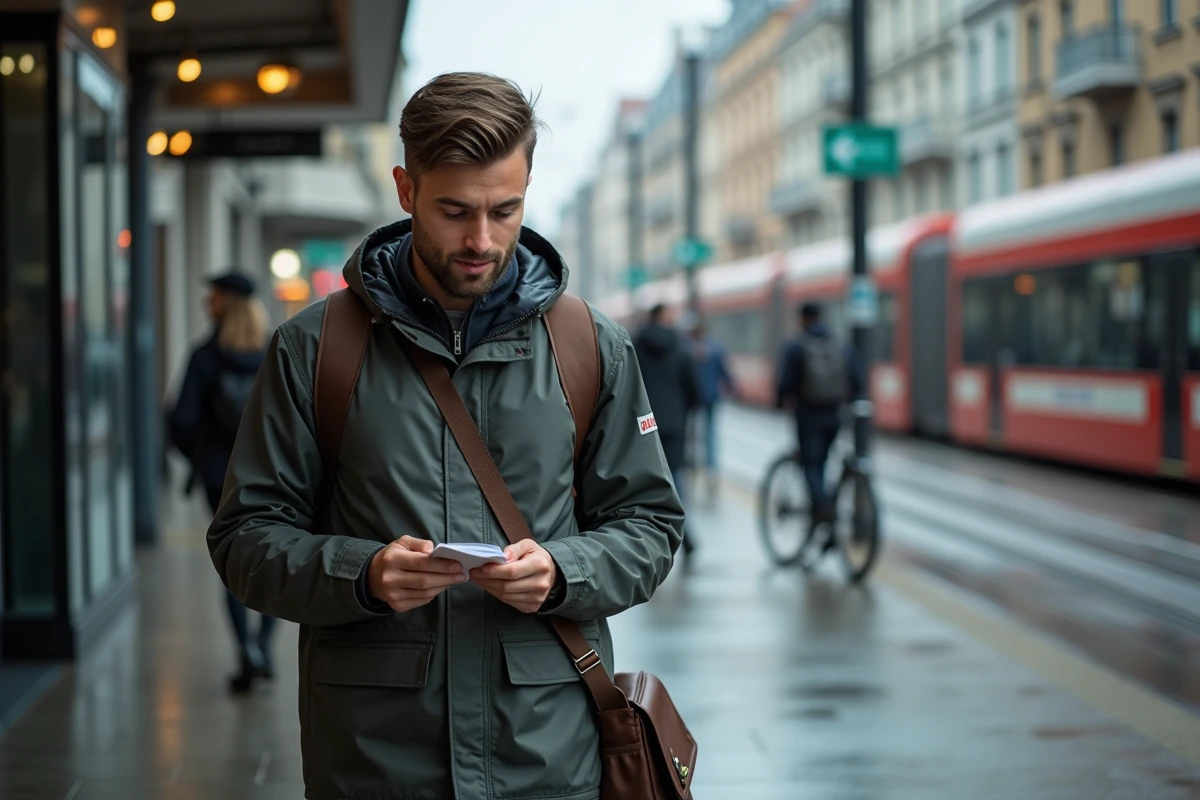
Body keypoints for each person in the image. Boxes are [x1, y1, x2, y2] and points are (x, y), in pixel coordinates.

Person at [206, 72, 684, 800]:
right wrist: (362, 574)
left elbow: (650, 526)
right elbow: (244, 538)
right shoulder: (315, 349)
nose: (481, 240)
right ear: (406, 190)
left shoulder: (591, 346)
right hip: (375, 767)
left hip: (547, 763)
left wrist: (563, 570)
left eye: (505, 210)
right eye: (455, 211)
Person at [167, 272, 275, 694]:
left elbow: (181, 421)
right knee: (273, 558)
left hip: (220, 478)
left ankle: (246, 649)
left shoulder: (204, 357)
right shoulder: (275, 350)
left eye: (212, 296)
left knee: (234, 563)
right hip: (272, 474)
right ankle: (264, 647)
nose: (205, 303)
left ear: (225, 303)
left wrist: (202, 455)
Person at [775, 302, 862, 524]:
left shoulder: (796, 345)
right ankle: (825, 512)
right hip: (835, 414)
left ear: (803, 319)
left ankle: (823, 509)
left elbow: (785, 384)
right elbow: (856, 379)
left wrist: (780, 402)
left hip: (807, 415)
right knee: (823, 461)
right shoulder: (841, 344)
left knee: (811, 465)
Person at [634, 303, 699, 557]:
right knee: (674, 479)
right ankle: (683, 531)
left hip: (642, 424)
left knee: (643, 483)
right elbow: (694, 391)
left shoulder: (634, 346)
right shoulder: (680, 348)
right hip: (673, 423)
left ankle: (645, 540)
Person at [689, 319, 737, 498]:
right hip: (711, 397)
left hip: (693, 399)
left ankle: (692, 468)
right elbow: (725, 372)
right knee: (710, 435)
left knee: (691, 435)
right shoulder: (716, 348)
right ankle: (711, 471)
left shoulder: (688, 348)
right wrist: (733, 387)